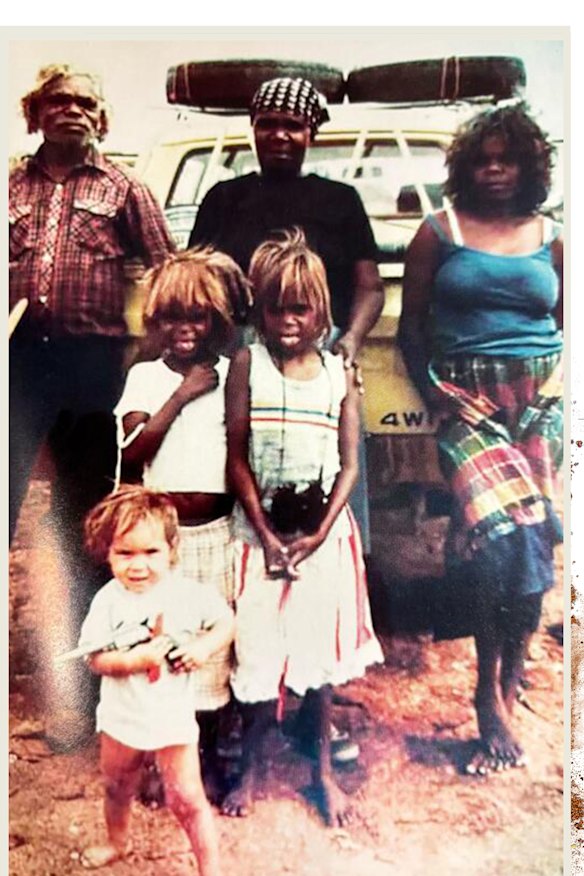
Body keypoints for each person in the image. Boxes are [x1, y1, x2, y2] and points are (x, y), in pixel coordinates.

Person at [9, 64, 175, 748]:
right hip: (17, 363)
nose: (71, 111)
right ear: (36, 112)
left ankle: (74, 695)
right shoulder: (9, 186)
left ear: (101, 120)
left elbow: (172, 277)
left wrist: (135, 359)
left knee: (82, 522)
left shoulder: (124, 188)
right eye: (58, 100)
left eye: (85, 102)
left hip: (90, 369)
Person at [397, 104, 563, 776]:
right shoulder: (441, 230)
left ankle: (515, 668)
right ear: (466, 167)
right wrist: (437, 397)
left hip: (541, 402)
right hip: (466, 402)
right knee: (501, 542)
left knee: (541, 535)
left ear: (529, 165)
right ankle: (487, 690)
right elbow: (410, 328)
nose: (495, 170)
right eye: (483, 159)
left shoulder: (553, 236)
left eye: (508, 159)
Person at [223, 229, 383, 826]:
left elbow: (349, 466)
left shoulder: (340, 372)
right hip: (258, 536)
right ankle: (253, 768)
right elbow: (236, 458)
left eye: (300, 307)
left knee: (318, 661)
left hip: (322, 540)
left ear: (322, 311)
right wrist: (265, 535)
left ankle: (321, 772)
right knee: (259, 654)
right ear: (259, 311)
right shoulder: (248, 364)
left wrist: (317, 534)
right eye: (275, 307)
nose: (288, 320)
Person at [188, 75, 385, 553]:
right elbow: (194, 279)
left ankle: (337, 558)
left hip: (319, 354)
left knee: (332, 458)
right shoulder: (223, 197)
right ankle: (243, 561)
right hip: (241, 350)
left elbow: (370, 287)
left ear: (311, 134)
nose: (279, 135)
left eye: (293, 126)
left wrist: (350, 342)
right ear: (252, 129)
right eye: (268, 124)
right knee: (238, 456)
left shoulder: (340, 201)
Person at [114, 247, 251, 799]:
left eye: (197, 317)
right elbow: (132, 450)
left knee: (210, 649)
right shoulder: (146, 376)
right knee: (159, 644)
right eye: (172, 317)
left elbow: (239, 449)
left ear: (217, 319)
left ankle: (213, 753)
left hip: (215, 534)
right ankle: (161, 758)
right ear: (155, 320)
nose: (185, 328)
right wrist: (183, 392)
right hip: (161, 545)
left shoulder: (231, 372)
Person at [77, 486, 234, 872]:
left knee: (187, 798)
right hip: (121, 716)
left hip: (172, 721)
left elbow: (225, 623)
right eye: (124, 553)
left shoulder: (188, 594)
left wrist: (202, 648)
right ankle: (116, 842)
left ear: (172, 550)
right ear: (107, 552)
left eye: (151, 552)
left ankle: (209, 869)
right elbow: (94, 659)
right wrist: (134, 659)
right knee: (116, 786)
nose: (138, 565)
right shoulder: (108, 600)